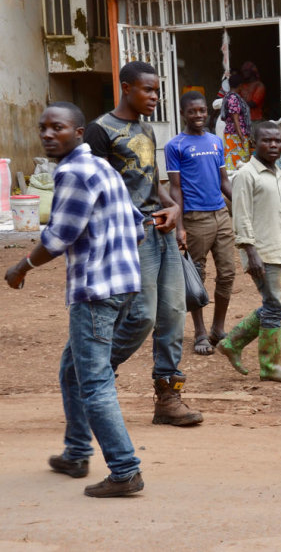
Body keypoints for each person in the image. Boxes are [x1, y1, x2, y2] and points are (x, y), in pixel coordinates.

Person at [4, 102, 145, 497]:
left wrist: (21, 267)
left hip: (95, 293)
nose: (48, 135)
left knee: (94, 384)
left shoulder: (74, 172)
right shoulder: (103, 167)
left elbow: (59, 236)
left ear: (79, 132)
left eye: (58, 128)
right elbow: (137, 226)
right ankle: (77, 452)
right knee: (73, 371)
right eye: (43, 128)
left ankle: (124, 469)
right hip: (122, 288)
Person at [85, 61, 203, 427]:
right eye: (147, 90)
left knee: (172, 314)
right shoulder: (100, 131)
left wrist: (175, 211)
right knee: (142, 315)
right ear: (126, 87)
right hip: (129, 236)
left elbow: (152, 185)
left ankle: (168, 397)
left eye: (156, 90)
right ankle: (92, 377)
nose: (154, 97)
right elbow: (96, 192)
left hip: (161, 232)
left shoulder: (147, 130)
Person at [217, 122, 281, 383]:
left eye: (278, 141)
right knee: (275, 306)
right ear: (254, 143)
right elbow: (240, 216)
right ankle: (269, 365)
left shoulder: (279, 175)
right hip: (262, 252)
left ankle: (232, 342)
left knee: (280, 306)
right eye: (267, 141)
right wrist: (250, 251)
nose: (274, 145)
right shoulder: (246, 175)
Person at [165, 91, 235, 356]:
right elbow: (175, 189)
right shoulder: (176, 146)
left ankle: (218, 328)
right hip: (195, 219)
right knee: (197, 276)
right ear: (183, 113)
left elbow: (224, 181)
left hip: (221, 215)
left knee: (227, 273)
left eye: (202, 111)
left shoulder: (216, 142)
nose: (199, 115)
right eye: (193, 111)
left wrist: (240, 207)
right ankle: (200, 333)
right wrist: (179, 226)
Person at [222, 73, 252, 172]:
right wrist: (242, 138)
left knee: (237, 164)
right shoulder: (233, 98)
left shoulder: (229, 96)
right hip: (236, 136)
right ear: (240, 85)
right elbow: (236, 120)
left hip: (234, 135)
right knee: (238, 166)